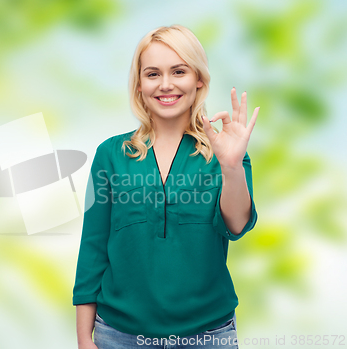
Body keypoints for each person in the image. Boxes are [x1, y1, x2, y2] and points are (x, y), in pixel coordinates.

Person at [72, 24, 259, 349]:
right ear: (140, 84)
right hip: (118, 335)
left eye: (179, 71)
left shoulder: (225, 151)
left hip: (208, 334)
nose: (166, 84)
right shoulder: (111, 154)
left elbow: (237, 224)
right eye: (153, 74)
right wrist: (83, 340)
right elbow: (93, 246)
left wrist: (231, 168)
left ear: (198, 79)